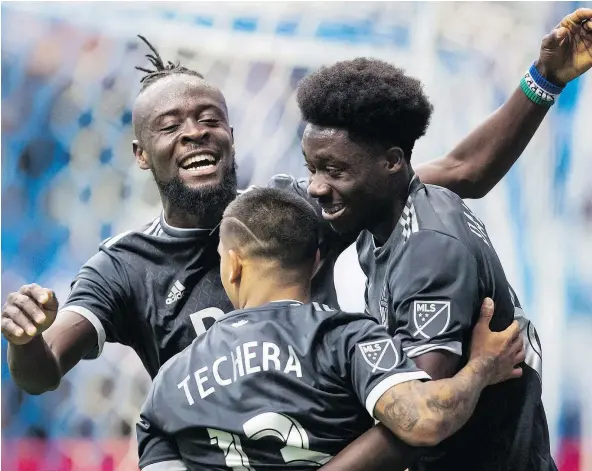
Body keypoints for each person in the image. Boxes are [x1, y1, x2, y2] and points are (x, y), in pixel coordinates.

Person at [2, 8, 591, 396]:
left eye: (210, 119)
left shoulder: (289, 212)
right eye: (170, 125)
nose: (194, 133)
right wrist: (26, 341)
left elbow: (462, 170)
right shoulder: (123, 267)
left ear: (233, 134)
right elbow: (43, 371)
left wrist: (545, 78)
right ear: (140, 154)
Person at [295, 11, 592, 468]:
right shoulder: (393, 203)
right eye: (312, 168)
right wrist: (545, 78)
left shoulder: (430, 250)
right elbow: (464, 168)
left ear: (392, 162)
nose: (316, 186)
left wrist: (477, 371)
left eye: (333, 170)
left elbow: (422, 418)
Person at [136, 187, 525, 471]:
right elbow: (425, 420)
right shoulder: (349, 338)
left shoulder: (167, 386)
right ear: (317, 261)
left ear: (233, 265)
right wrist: (482, 367)